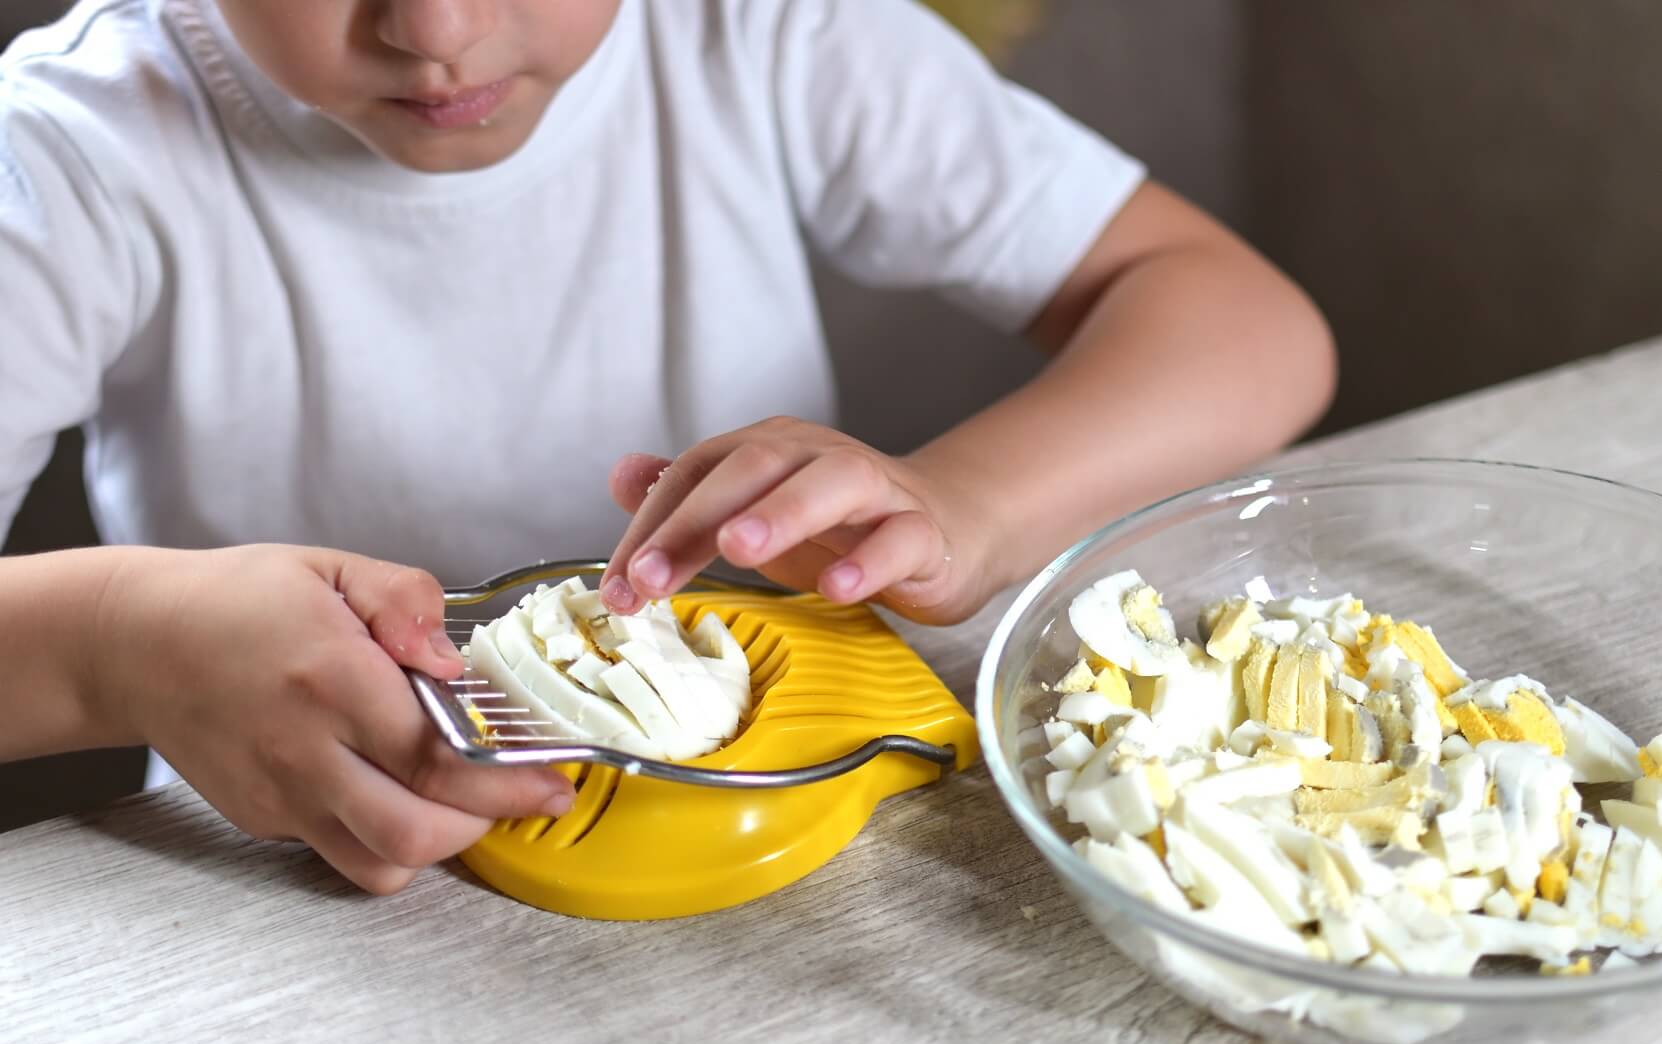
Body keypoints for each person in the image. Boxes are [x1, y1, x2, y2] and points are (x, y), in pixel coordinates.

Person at [0, 0, 1336, 892]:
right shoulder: (68, 157)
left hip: (797, 853)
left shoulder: (761, 30)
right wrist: (122, 645)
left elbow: (1245, 324)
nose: (435, 29)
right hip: (301, 873)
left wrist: (963, 503)